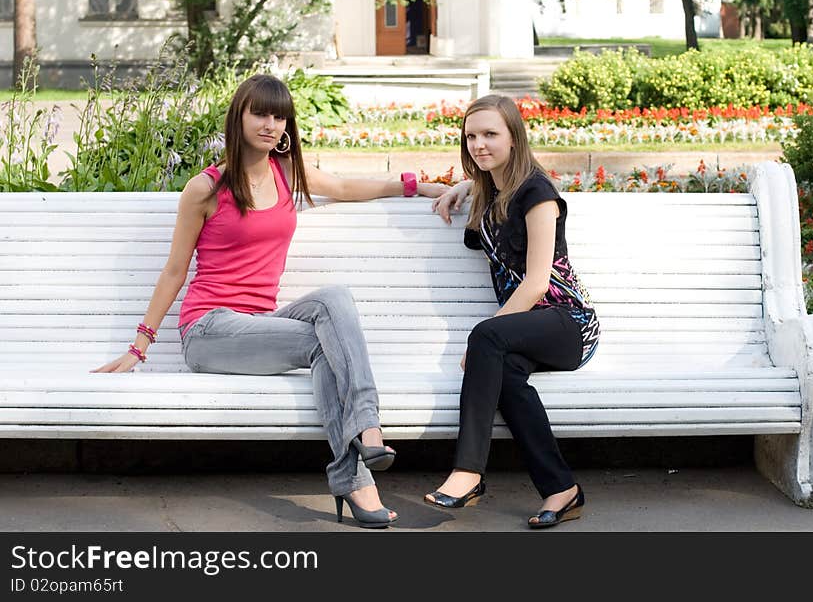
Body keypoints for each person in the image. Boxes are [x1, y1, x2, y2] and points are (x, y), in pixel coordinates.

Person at [92, 74, 448, 529]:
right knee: (326, 343)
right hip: (209, 330)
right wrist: (138, 347)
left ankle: (362, 441)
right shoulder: (206, 189)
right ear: (238, 116)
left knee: (332, 303)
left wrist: (421, 187)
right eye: (260, 112)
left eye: (279, 116)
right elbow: (174, 270)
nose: (270, 124)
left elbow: (345, 186)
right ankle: (360, 468)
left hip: (260, 325)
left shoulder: (287, 172)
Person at [424, 94, 600, 528]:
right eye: (470, 136)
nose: (478, 144)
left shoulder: (539, 195)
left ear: (514, 138)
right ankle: (562, 489)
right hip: (523, 329)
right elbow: (481, 189)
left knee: (486, 339)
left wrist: (490, 335)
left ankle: (468, 473)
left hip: (568, 323)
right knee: (506, 379)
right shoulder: (489, 192)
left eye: (490, 134)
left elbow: (539, 282)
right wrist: (460, 186)